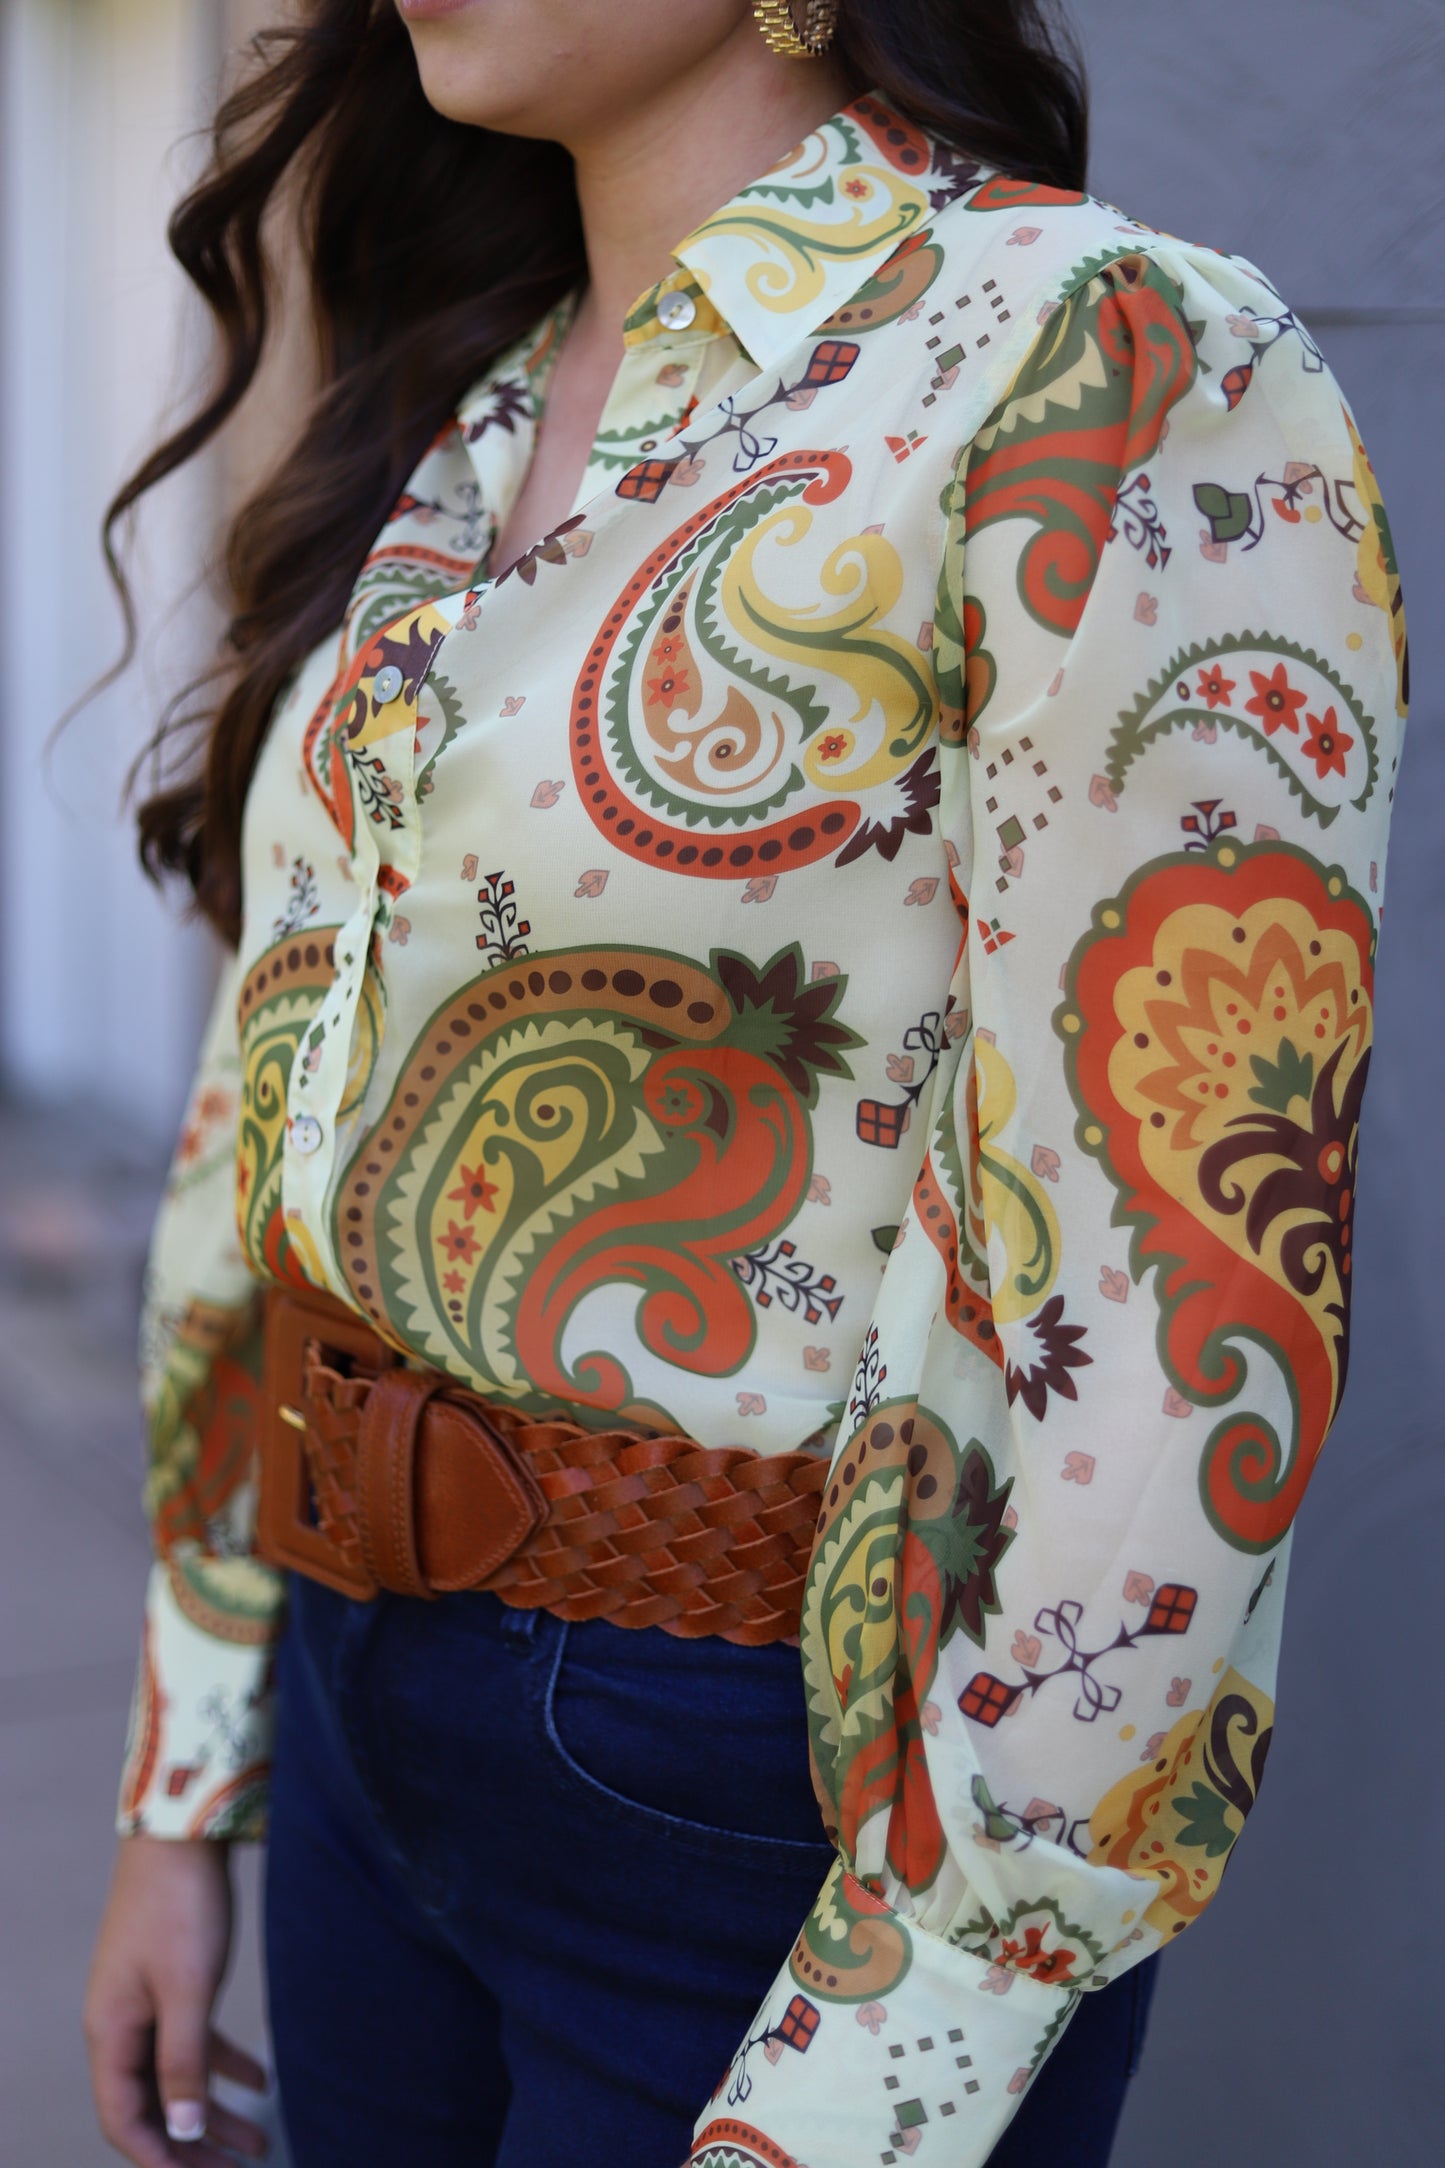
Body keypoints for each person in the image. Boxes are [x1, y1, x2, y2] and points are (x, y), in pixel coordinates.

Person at [80, 1, 1408, 2164]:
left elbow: (1181, 1300)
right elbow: (275, 1103)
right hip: (350, 1707)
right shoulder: (471, 401)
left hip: (763, 1796)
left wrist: (905, 2040)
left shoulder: (1101, 361)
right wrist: (189, 1767)